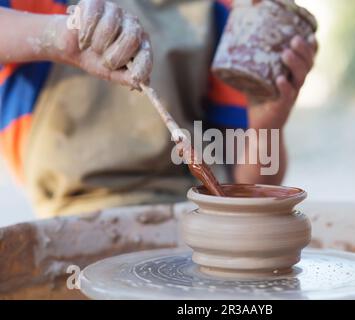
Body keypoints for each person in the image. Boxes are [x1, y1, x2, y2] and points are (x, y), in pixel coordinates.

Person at [0, 0, 317, 218]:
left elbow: (245, 191)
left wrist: (267, 124)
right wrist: (59, 36)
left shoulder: (225, 12)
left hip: (192, 215)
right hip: (73, 216)